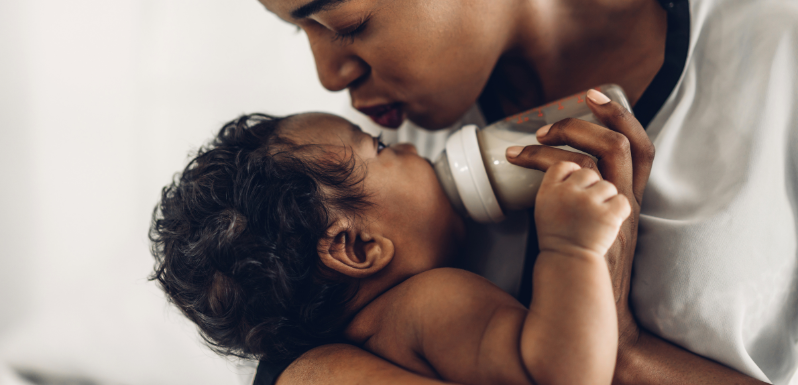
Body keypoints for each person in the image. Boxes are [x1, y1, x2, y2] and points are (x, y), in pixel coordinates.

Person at [241, 0, 798, 383]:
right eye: (300, 29)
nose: (328, 77)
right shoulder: (391, 153)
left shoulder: (779, 56)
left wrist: (623, 352)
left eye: (345, 22)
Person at [149, 103, 632, 385]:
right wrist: (572, 248)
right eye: (378, 148)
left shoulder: (366, 342)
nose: (405, 145)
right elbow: (562, 376)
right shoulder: (428, 305)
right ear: (357, 247)